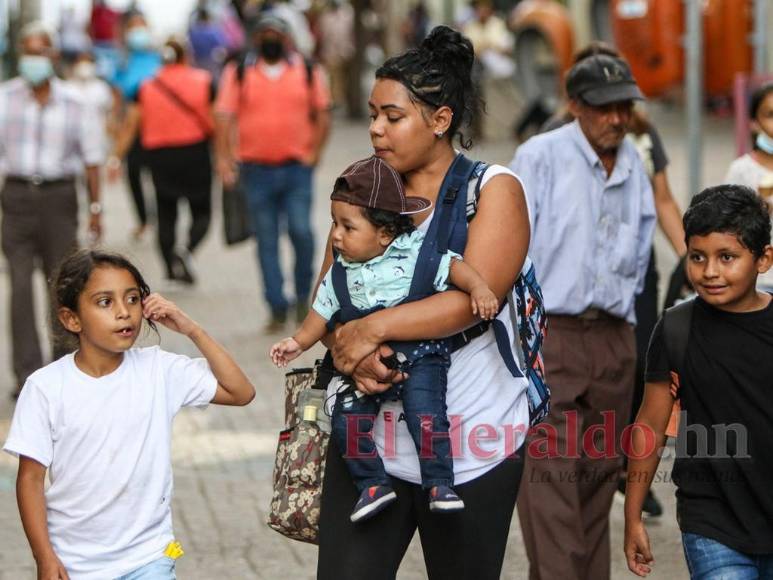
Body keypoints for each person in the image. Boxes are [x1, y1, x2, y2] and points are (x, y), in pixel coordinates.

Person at [315, 26, 531, 579]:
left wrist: (370, 330)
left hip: (472, 441)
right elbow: (333, 293)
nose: (375, 129)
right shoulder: (361, 190)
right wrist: (349, 349)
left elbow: (472, 300)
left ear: (441, 120)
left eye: (393, 116)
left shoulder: (494, 188)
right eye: (372, 115)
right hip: (370, 441)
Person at [271, 156, 500, 523]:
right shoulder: (340, 272)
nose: (335, 236)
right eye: (334, 224)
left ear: (383, 234)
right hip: (363, 370)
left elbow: (452, 266)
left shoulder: (414, 254)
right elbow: (320, 313)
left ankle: (439, 482)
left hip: (420, 358)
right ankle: (373, 485)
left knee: (425, 414)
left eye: (347, 226)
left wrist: (480, 288)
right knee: (347, 419)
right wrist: (298, 342)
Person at [3, 249, 255, 579]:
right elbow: (30, 479)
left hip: (150, 556)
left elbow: (241, 392)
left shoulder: (159, 370)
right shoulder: (45, 388)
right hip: (76, 563)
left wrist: (191, 329)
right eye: (105, 302)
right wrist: (44, 557)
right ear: (71, 319)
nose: (124, 313)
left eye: (133, 299)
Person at [509, 53, 656, 580]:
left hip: (614, 336)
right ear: (575, 105)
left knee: (599, 476)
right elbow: (513, 246)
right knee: (548, 478)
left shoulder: (633, 160)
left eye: (623, 107)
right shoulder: (540, 156)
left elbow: (640, 244)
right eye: (603, 108)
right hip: (553, 333)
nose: (616, 118)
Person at [542, 40, 686, 518]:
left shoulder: (642, 138)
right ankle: (591, 465)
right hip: (571, 295)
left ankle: (627, 466)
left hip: (631, 274)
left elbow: (663, 200)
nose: (616, 112)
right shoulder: (554, 143)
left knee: (640, 370)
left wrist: (690, 257)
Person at [624, 184, 773, 578]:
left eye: (727, 257)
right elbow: (650, 425)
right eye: (697, 257)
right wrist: (632, 514)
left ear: (763, 259)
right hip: (712, 523)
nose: (709, 272)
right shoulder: (676, 328)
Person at [0, 22, 104, 400]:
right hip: (16, 197)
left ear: (53, 57)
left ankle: (62, 364)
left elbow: (92, 158)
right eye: (27, 52)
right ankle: (26, 373)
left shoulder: (75, 102)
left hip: (60, 199)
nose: (33, 60)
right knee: (19, 284)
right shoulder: (5, 98)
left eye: (39, 52)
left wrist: (95, 207)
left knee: (61, 283)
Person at [215, 13, 331, 332]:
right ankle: (276, 305)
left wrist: (315, 153)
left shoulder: (308, 71)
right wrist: (224, 159)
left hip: (296, 170)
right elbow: (223, 116)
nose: (270, 38)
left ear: (287, 38)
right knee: (266, 240)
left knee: (302, 233)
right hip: (255, 171)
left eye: (276, 33)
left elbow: (322, 113)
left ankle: (302, 298)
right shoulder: (238, 72)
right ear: (255, 38)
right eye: (264, 33)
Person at [110, 39, 215, 286]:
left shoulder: (146, 86)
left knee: (166, 214)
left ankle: (170, 268)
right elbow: (216, 121)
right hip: (195, 153)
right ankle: (187, 249)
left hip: (159, 157)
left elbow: (131, 126)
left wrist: (116, 157)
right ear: (185, 56)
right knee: (202, 212)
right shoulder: (204, 81)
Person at [108, 10, 162, 241]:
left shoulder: (160, 58)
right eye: (133, 27)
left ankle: (163, 216)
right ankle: (143, 219)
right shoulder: (122, 61)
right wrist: (115, 123)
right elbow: (118, 98)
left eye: (141, 26)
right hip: (133, 128)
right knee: (134, 174)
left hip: (159, 125)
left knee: (159, 174)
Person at [725, 82, 773, 293]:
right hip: (761, 282)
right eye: (771, 115)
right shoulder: (741, 170)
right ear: (754, 123)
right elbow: (727, 225)